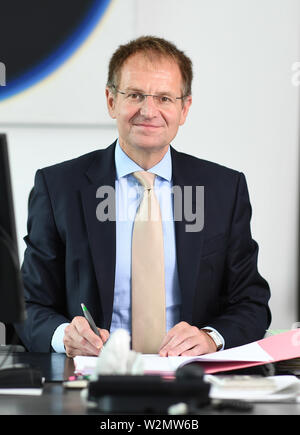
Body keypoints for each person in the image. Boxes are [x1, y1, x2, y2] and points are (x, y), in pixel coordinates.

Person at [16, 36, 271, 357]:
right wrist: (63, 335)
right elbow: (27, 304)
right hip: (91, 381)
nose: (149, 111)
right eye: (135, 95)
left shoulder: (224, 189)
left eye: (165, 98)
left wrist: (211, 337)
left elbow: (251, 302)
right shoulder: (58, 187)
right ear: (111, 101)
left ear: (184, 108)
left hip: (190, 379)